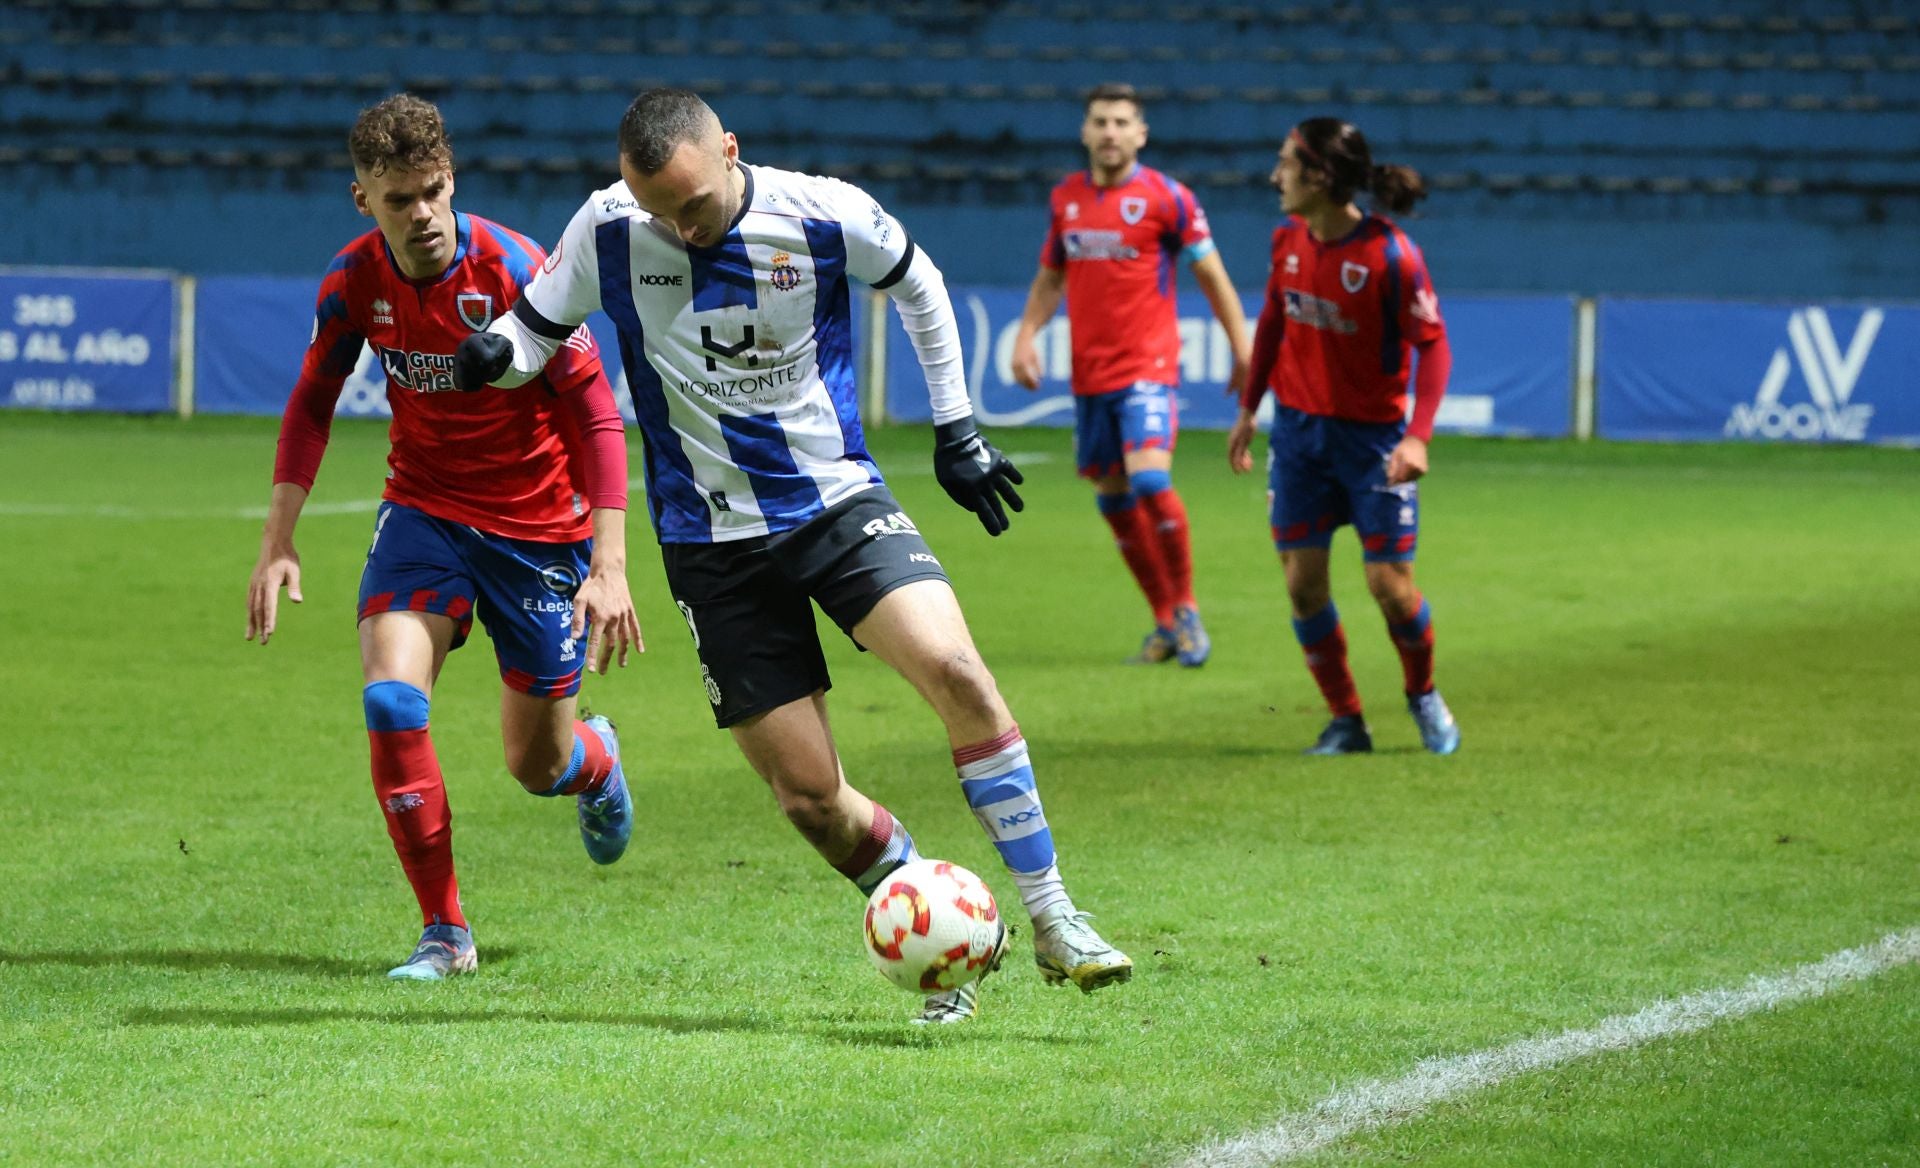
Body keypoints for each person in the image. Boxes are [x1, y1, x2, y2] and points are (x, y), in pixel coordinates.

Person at [455, 87, 1132, 1024]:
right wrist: (492, 355)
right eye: (659, 211)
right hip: (708, 541)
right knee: (811, 799)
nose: (680, 230)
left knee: (957, 670)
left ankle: (1056, 920)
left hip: (835, 503)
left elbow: (919, 283)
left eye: (692, 205)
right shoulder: (609, 227)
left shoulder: (822, 211)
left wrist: (956, 429)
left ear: (731, 150)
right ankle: (933, 931)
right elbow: (536, 329)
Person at [244, 94, 642, 980]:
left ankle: (596, 759)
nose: (421, 213)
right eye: (399, 199)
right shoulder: (353, 284)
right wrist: (279, 539)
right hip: (423, 511)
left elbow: (597, 418)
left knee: (535, 766)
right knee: (391, 700)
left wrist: (609, 567)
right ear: (363, 200)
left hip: (541, 530)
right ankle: (445, 933)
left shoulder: (517, 271)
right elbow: (311, 403)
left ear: (450, 178)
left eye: (432, 191)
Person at [1226, 117, 1461, 756]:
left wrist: (1418, 438)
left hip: (1373, 444)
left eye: (1286, 163)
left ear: (1320, 176)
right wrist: (1251, 409)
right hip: (1300, 438)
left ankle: (1422, 693)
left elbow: (1432, 347)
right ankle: (1347, 721)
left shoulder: (1389, 255)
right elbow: (1274, 321)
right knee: (1303, 584)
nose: (1276, 176)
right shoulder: (1287, 241)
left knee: (1391, 587)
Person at [1010, 82, 1252, 667]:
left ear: (1141, 132)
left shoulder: (1169, 198)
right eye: (1101, 121)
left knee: (1149, 482)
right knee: (1113, 499)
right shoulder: (1067, 198)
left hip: (1149, 367)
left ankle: (1187, 607)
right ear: (1086, 132)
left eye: (1122, 121)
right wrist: (1025, 334)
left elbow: (1214, 277)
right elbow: (1051, 275)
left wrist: (1244, 351)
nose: (1111, 132)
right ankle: (1165, 620)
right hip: (1091, 376)